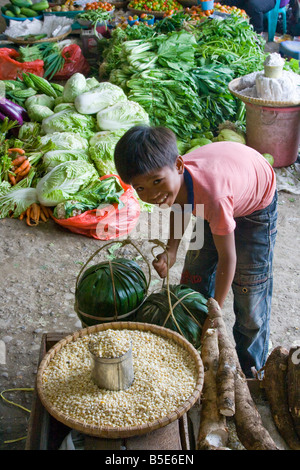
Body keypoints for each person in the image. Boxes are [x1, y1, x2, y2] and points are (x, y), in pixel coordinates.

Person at [114, 125, 277, 378]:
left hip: (255, 205)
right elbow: (180, 206)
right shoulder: (179, 182)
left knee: (249, 292)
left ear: (179, 166)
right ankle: (193, 346)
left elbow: (228, 258)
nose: (153, 194)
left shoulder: (213, 196)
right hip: (221, 195)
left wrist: (216, 313)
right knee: (195, 273)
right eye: (141, 188)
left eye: (157, 181)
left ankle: (251, 371)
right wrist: (171, 251)